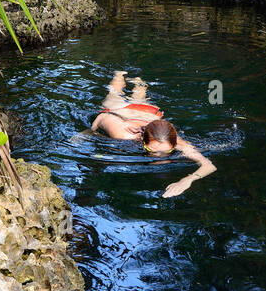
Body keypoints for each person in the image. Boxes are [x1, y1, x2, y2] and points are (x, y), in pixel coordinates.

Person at [90, 70, 217, 198]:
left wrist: (187, 180)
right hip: (121, 110)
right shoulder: (122, 134)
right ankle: (119, 74)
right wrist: (91, 131)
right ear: (143, 140)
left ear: (174, 144)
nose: (159, 158)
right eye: (151, 150)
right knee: (114, 93)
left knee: (138, 98)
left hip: (149, 113)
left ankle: (139, 83)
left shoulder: (179, 143)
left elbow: (209, 166)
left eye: (168, 151)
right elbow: (102, 117)